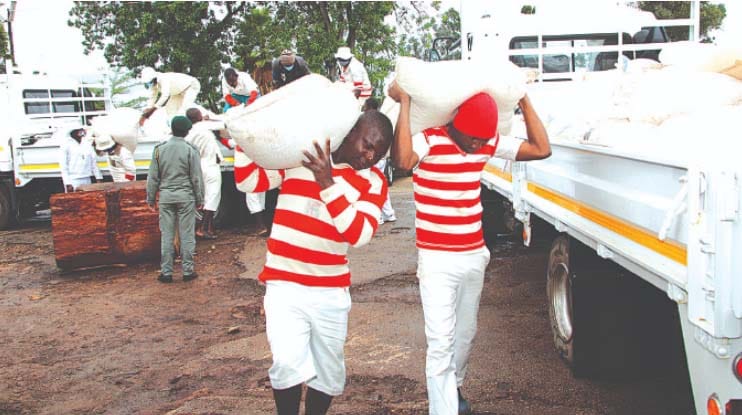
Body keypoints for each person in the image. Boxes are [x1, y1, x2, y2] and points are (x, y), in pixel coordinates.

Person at [388, 83, 551, 415]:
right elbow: (403, 160)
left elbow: (541, 148)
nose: (477, 145)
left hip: (474, 255)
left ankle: (454, 386)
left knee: (465, 335)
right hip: (436, 260)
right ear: (455, 125)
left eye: (482, 139)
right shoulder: (431, 139)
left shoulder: (486, 144)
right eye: (472, 138)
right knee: (440, 342)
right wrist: (405, 100)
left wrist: (522, 99)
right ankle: (443, 408)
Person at [235, 110, 393, 415]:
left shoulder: (373, 183)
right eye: (367, 144)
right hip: (284, 285)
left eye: (379, 152)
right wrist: (244, 137)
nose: (370, 156)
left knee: (328, 373)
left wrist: (327, 182)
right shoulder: (302, 155)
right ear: (349, 132)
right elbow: (248, 180)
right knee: (286, 364)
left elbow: (358, 233)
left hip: (330, 292)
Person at [146, 116, 204, 284]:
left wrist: (151, 199)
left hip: (165, 197)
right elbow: (196, 178)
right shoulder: (190, 150)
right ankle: (188, 271)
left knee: (167, 235)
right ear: (187, 131)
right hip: (186, 197)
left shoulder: (158, 150)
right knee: (186, 235)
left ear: (172, 129)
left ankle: (166, 273)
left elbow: (153, 177)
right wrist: (199, 198)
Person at [185, 108, 223, 239]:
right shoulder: (204, 126)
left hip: (199, 164)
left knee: (207, 196)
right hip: (210, 165)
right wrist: (210, 118)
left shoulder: (189, 133)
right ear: (199, 116)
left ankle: (210, 228)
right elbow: (224, 123)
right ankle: (202, 228)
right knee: (213, 196)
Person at [363, 98, 396, 224]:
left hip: (371, 157)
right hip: (381, 156)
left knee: (372, 185)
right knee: (381, 185)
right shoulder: (383, 119)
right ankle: (389, 214)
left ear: (369, 106)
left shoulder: (368, 120)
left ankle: (378, 216)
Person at [59, 127, 102, 192]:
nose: (81, 132)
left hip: (87, 178)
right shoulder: (66, 145)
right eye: (78, 131)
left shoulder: (87, 144)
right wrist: (67, 183)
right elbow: (63, 166)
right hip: (73, 179)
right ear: (72, 133)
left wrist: (99, 178)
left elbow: (94, 163)